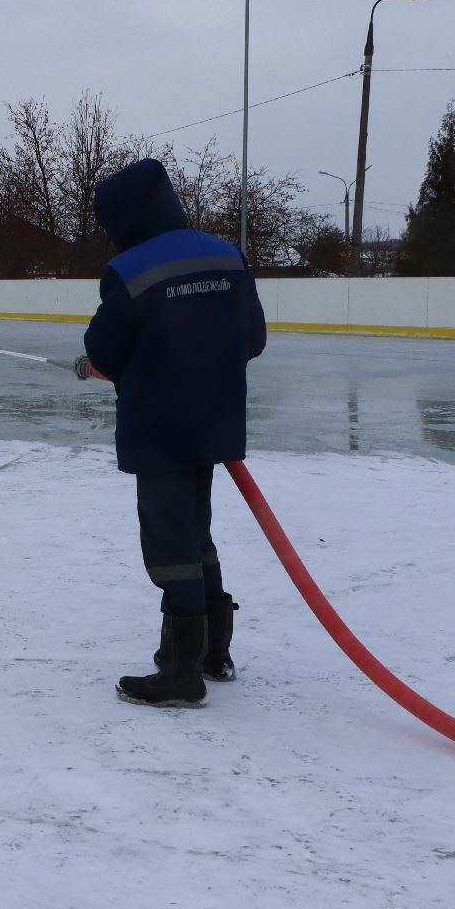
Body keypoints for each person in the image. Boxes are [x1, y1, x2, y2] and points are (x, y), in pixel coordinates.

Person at [77, 157, 267, 707]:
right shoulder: (227, 253)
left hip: (160, 424)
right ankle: (214, 652)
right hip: (217, 417)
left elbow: (102, 351)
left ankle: (181, 668)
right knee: (196, 527)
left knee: (169, 540)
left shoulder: (131, 269)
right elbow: (252, 338)